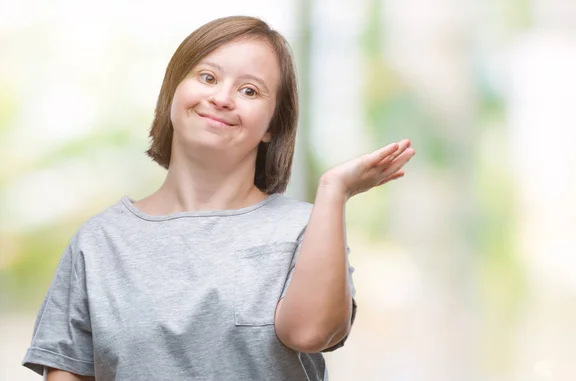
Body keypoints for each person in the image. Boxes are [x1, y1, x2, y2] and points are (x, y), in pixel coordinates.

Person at [21, 15, 415, 381]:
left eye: (249, 90)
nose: (223, 98)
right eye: (207, 77)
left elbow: (310, 333)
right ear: (173, 93)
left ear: (271, 128)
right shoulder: (99, 241)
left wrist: (334, 192)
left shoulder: (306, 228)